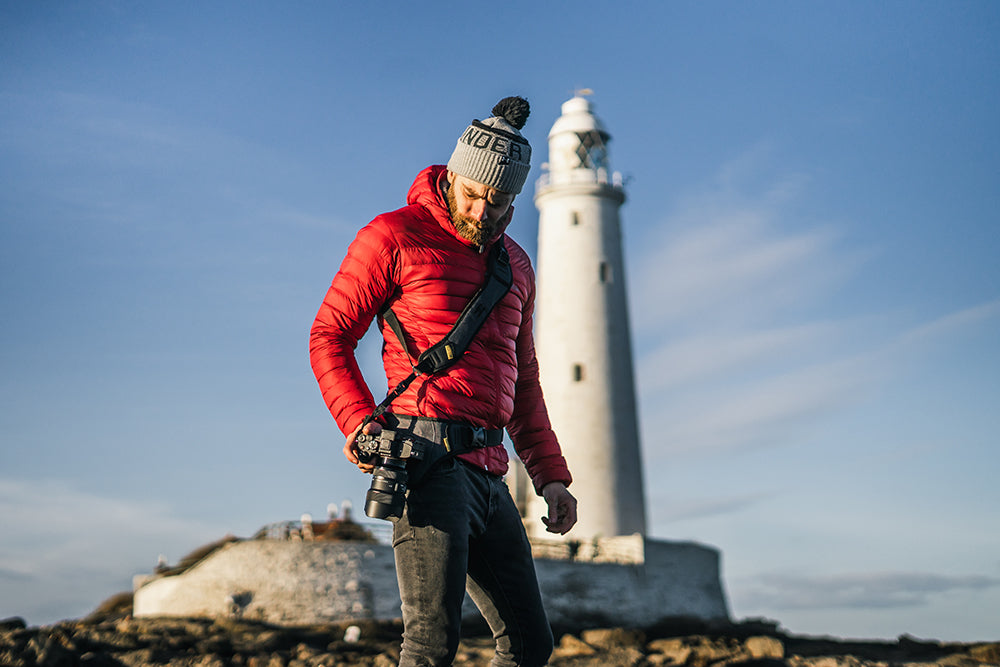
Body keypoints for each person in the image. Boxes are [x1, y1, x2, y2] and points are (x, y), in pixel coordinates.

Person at [309, 96, 577, 667]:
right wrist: (360, 424)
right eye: (474, 193)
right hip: (424, 460)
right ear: (452, 176)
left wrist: (551, 477)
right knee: (431, 645)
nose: (483, 210)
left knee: (531, 645)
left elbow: (523, 380)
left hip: (491, 473)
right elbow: (329, 335)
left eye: (500, 199)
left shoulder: (519, 266)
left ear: (516, 196)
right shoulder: (392, 236)